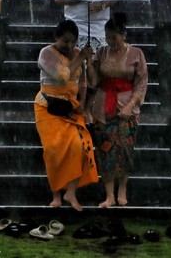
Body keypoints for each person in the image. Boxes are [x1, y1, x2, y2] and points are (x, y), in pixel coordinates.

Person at [34, 19, 97, 211]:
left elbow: (87, 83)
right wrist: (79, 58)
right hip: (48, 107)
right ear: (57, 38)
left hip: (71, 107)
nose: (69, 46)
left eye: (73, 42)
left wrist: (84, 107)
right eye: (65, 41)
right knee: (53, 149)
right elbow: (62, 75)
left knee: (80, 145)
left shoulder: (79, 54)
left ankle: (71, 191)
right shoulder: (46, 53)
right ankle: (56, 194)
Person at [88, 13, 148, 208]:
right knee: (105, 149)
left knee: (124, 149)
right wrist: (88, 62)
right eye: (107, 37)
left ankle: (122, 190)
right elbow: (94, 81)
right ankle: (109, 195)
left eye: (114, 37)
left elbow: (141, 84)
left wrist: (131, 105)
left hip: (126, 105)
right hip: (103, 106)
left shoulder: (136, 53)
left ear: (124, 35)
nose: (110, 41)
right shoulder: (101, 53)